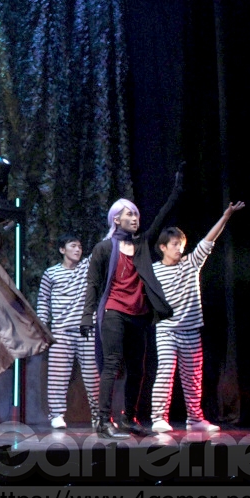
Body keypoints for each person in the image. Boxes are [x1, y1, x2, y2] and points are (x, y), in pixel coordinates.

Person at [80, 164, 184, 440]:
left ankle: (129, 418)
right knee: (112, 364)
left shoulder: (141, 245)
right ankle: (104, 421)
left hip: (138, 314)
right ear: (116, 219)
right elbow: (93, 283)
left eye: (136, 214)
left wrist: (177, 189)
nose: (135, 218)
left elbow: (162, 217)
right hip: (114, 311)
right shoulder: (104, 248)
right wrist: (87, 316)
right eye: (129, 214)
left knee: (138, 369)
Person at [150, 201, 245, 434]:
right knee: (165, 372)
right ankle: (158, 417)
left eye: (181, 245)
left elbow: (208, 241)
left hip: (191, 330)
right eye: (175, 244)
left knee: (193, 376)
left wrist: (226, 216)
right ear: (163, 247)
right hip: (166, 330)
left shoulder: (191, 264)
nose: (179, 249)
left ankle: (195, 418)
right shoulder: (153, 270)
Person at [37, 235, 99, 430]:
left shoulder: (86, 268)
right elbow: (43, 301)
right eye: (73, 246)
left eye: (80, 246)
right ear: (62, 250)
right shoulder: (51, 273)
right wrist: (42, 327)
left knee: (93, 375)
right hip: (61, 330)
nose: (78, 249)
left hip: (85, 329)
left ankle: (99, 415)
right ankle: (56, 414)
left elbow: (102, 248)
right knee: (57, 375)